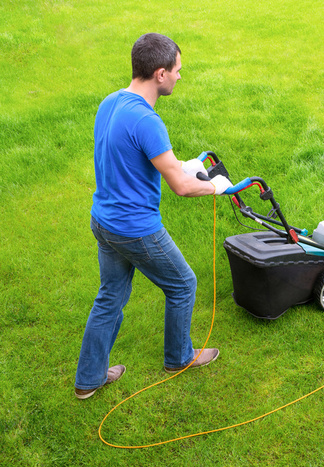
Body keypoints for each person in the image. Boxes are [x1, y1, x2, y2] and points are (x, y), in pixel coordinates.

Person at [74, 33, 233, 400]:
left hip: (104, 221)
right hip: (135, 228)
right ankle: (178, 357)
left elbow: (139, 160)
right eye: (177, 70)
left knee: (110, 295)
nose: (180, 76)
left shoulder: (110, 102)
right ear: (160, 73)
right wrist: (217, 187)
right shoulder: (147, 121)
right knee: (183, 284)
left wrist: (188, 165)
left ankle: (89, 379)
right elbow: (179, 186)